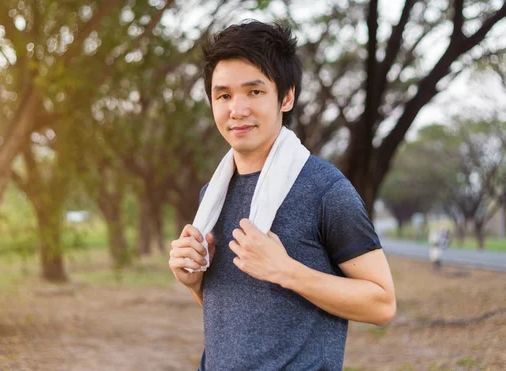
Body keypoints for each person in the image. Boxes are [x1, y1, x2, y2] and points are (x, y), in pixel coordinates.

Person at [168, 21, 396, 371]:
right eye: (224, 95)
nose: (237, 110)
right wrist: (194, 281)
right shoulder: (212, 196)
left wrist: (285, 270)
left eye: (254, 92)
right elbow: (241, 319)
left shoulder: (325, 189)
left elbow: (382, 305)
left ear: (286, 96)